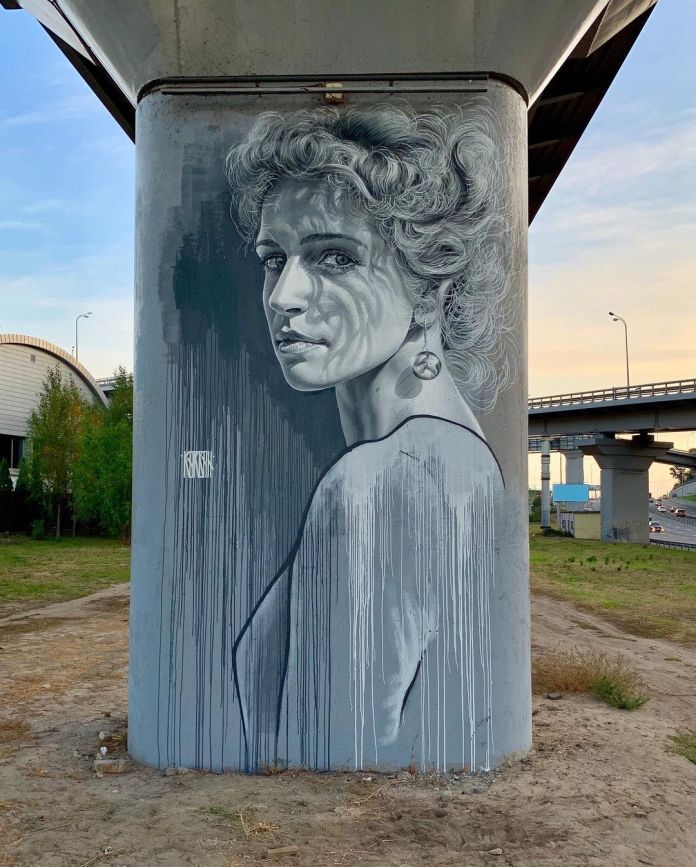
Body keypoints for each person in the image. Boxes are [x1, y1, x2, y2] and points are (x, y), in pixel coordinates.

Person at [227, 105, 517, 772]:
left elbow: (333, 780)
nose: (284, 295)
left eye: (334, 256)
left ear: (428, 285)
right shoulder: (446, 460)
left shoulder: (378, 486)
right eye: (275, 259)